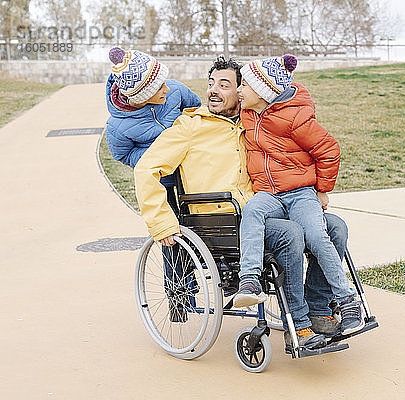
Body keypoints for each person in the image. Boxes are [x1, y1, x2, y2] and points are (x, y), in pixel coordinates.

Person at [134, 56, 348, 351]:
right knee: (289, 234)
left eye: (225, 85)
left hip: (261, 210)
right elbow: (146, 169)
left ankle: (318, 309)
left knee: (335, 226)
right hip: (217, 221)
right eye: (211, 83)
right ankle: (298, 326)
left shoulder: (253, 123)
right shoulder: (191, 126)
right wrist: (161, 222)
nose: (213, 91)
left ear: (243, 92)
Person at [232, 54, 364, 336]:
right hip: (269, 194)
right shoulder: (248, 113)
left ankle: (346, 300)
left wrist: (323, 190)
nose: (239, 90)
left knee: (317, 236)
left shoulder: (295, 118)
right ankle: (250, 280)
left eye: (244, 85)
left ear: (264, 91)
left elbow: (329, 149)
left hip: (300, 193)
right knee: (253, 210)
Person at [105, 46, 202, 322]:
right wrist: (155, 159)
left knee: (202, 228)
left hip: (194, 174)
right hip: (162, 182)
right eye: (158, 88)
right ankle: (178, 298)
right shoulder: (118, 126)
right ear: (143, 98)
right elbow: (122, 154)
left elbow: (197, 110)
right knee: (171, 237)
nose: (165, 89)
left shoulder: (174, 90)